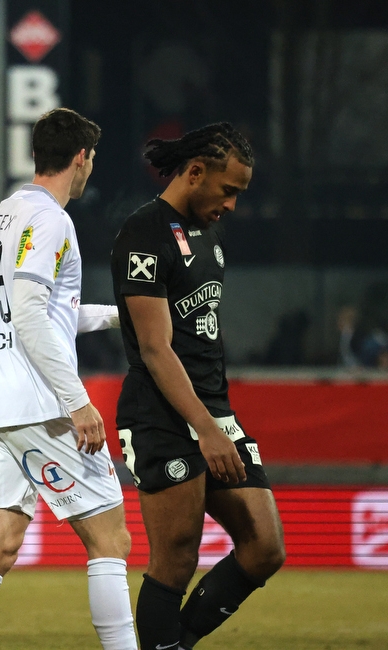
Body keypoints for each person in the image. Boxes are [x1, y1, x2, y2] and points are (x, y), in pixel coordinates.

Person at [0, 109, 136, 650]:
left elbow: (39, 311)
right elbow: (31, 315)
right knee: (111, 539)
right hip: (41, 407)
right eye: (92, 161)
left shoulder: (5, 216)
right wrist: (77, 401)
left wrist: (116, 314)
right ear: (80, 158)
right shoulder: (54, 221)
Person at [109, 123, 286, 650]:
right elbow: (156, 349)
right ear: (194, 172)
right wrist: (206, 430)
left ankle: (174, 645)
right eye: (228, 190)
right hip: (161, 415)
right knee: (177, 555)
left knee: (264, 548)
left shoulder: (209, 236)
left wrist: (216, 420)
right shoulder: (143, 233)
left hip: (213, 411)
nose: (232, 204)